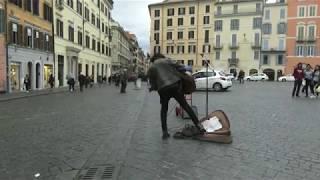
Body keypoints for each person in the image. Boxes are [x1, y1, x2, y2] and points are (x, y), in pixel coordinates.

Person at [147, 53, 205, 139]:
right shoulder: (167, 60)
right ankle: (199, 126)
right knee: (185, 106)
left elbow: (152, 82)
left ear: (153, 60)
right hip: (175, 85)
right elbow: (181, 67)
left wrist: (154, 87)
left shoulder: (151, 67)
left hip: (163, 89)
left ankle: (165, 132)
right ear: (160, 56)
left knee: (164, 110)